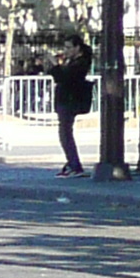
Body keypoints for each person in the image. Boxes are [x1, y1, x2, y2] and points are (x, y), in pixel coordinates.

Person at [50, 42, 95, 177]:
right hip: (66, 99)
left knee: (65, 132)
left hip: (70, 100)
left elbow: (64, 78)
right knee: (64, 132)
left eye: (69, 47)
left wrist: (55, 66)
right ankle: (71, 163)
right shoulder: (71, 62)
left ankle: (75, 165)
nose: (66, 50)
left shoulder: (80, 63)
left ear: (78, 49)